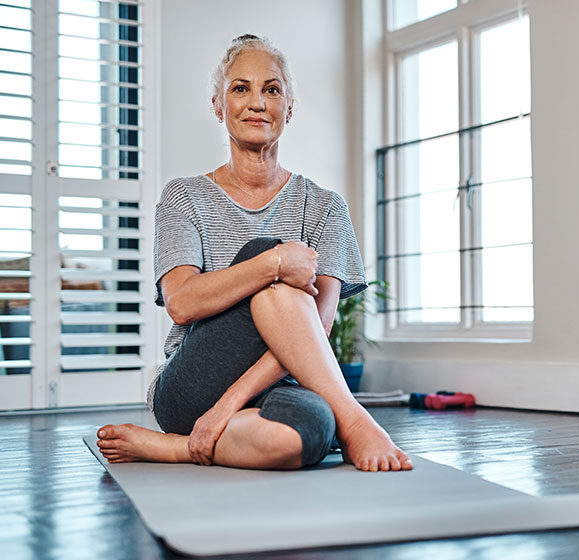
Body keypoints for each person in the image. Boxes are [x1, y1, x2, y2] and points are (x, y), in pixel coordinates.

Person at [96, 34, 412, 472]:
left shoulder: (325, 206)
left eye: (272, 89)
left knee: (309, 430)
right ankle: (356, 420)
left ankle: (174, 448)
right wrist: (273, 263)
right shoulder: (183, 197)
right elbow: (182, 304)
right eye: (240, 88)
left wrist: (231, 404)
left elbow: (315, 329)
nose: (257, 102)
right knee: (269, 253)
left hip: (282, 381)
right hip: (193, 386)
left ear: (289, 107)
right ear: (217, 104)